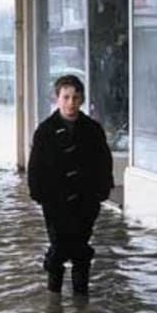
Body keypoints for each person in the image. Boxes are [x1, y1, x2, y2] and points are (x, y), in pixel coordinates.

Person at [28, 74, 114, 296]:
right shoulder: (45, 131)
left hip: (86, 200)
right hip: (55, 201)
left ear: (82, 99)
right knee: (59, 246)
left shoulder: (93, 129)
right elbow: (35, 166)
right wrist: (39, 194)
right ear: (57, 98)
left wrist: (101, 192)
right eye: (66, 97)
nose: (71, 103)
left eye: (75, 97)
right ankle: (54, 300)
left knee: (80, 248)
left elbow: (104, 162)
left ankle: (80, 301)